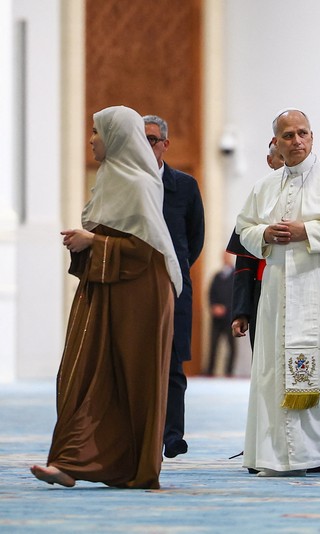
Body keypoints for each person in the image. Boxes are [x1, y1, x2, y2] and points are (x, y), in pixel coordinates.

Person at [31, 105, 182, 489]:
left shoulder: (139, 183)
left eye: (97, 132)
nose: (92, 140)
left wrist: (93, 241)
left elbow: (146, 251)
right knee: (87, 371)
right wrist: (90, 243)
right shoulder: (110, 178)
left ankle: (126, 467)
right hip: (106, 289)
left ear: (115, 137)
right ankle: (71, 462)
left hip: (139, 295)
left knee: (131, 378)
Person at [236, 109, 320, 476]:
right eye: (288, 136)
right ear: (275, 143)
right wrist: (264, 234)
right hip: (280, 287)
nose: (297, 142)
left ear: (312, 136)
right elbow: (243, 228)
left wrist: (306, 232)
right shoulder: (264, 186)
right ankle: (281, 453)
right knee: (275, 370)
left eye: (303, 133)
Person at [143, 114, 205, 459]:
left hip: (174, 287)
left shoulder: (185, 186)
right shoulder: (127, 183)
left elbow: (195, 239)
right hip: (134, 287)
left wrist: (175, 270)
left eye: (153, 139)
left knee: (173, 365)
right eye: (141, 139)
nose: (147, 145)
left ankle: (172, 436)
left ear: (166, 144)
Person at [227, 141, 285, 349]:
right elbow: (244, 266)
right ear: (270, 161)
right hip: (263, 290)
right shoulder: (258, 199)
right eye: (281, 157)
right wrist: (241, 311)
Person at [206, 253, 236, 376]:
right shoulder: (217, 276)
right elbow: (210, 294)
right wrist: (214, 306)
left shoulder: (235, 275)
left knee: (231, 346)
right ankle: (210, 371)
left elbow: (236, 294)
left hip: (230, 318)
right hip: (216, 318)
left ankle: (229, 372)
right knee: (213, 344)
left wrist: (226, 308)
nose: (225, 258)